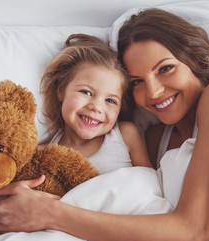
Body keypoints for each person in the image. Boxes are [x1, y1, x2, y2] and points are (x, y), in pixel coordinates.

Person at [0, 8, 209, 241]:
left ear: (197, 59)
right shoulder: (156, 141)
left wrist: (52, 213)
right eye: (138, 81)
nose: (153, 92)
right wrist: (7, 201)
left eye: (166, 68)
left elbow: (190, 234)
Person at [40, 33, 152, 173]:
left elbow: (148, 181)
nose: (96, 107)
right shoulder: (43, 153)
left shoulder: (125, 135)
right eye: (86, 92)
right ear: (61, 90)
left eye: (110, 100)